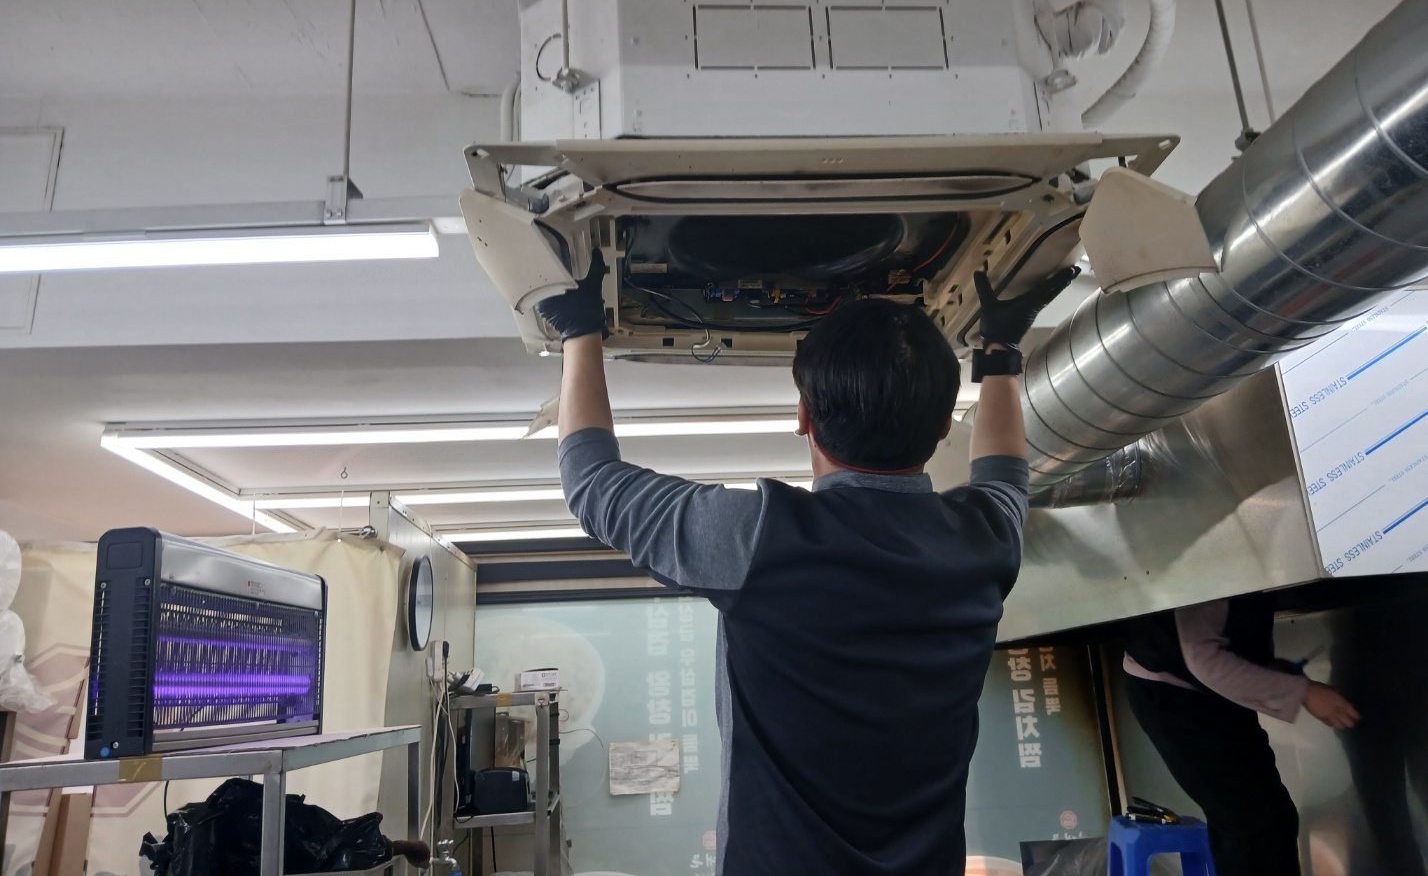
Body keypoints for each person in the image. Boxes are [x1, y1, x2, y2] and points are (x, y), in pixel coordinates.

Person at [537, 252, 1076, 876]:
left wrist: (1001, 351)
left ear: (803, 418)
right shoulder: (978, 541)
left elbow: (592, 483)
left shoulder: (761, 539)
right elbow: (1005, 475)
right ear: (939, 431)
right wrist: (580, 328)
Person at [1122, 594, 1362, 876]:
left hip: (1217, 695)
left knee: (1277, 817)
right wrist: (1303, 692)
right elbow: (1202, 657)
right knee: (1250, 827)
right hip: (1173, 696)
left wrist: (1269, 670)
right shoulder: (1210, 572)